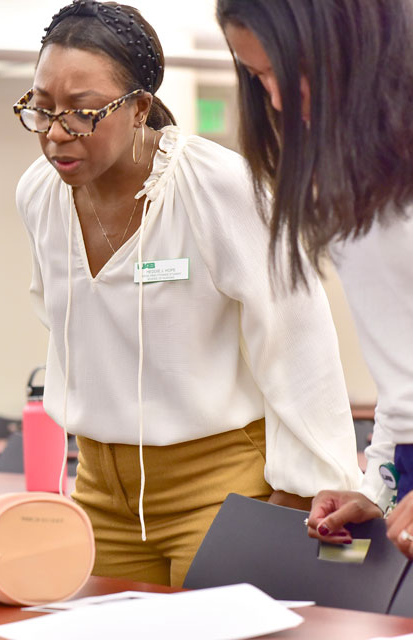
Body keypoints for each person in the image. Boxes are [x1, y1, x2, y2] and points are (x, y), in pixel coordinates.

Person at [12, 0, 363, 587]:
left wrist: (306, 486)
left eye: (81, 112)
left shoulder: (218, 188)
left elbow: (298, 339)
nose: (54, 134)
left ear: (139, 108)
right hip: (99, 486)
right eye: (41, 109)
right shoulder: (38, 194)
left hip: (218, 485)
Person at [216, 0, 413, 554]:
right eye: (257, 78)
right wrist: (378, 483)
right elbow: (404, 373)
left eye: (282, 71)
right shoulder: (354, 174)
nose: (274, 98)